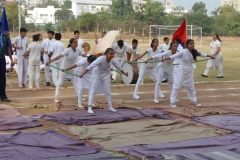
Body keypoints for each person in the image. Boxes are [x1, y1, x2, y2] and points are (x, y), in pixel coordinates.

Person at [161, 39, 215, 108]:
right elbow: (173, 56)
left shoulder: (195, 51)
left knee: (191, 86)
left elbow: (202, 54)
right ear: (187, 45)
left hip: (190, 70)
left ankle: (194, 100)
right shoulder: (183, 51)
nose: (192, 45)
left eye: (193, 44)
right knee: (176, 85)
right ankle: (172, 102)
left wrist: (211, 56)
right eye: (191, 44)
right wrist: (164, 59)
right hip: (182, 70)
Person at [79, 48, 128, 114]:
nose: (112, 55)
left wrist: (124, 73)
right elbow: (91, 66)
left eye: (113, 54)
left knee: (107, 91)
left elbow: (117, 66)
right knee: (93, 90)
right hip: (97, 74)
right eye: (111, 54)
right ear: (106, 54)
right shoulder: (101, 59)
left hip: (106, 74)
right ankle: (89, 107)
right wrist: (83, 73)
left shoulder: (112, 60)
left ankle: (110, 107)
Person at [46, 38, 84, 103]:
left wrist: (90, 56)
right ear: (71, 44)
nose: (76, 44)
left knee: (75, 83)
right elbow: (59, 56)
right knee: (60, 83)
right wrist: (50, 61)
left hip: (72, 68)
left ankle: (79, 96)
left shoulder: (78, 51)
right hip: (64, 68)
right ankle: (56, 98)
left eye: (77, 42)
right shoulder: (67, 50)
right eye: (75, 43)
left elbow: (84, 55)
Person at [0, 22, 14, 102]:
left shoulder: (5, 37)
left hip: (1, 59)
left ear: (1, 27)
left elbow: (8, 49)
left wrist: (11, 59)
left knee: (2, 77)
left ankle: (3, 96)